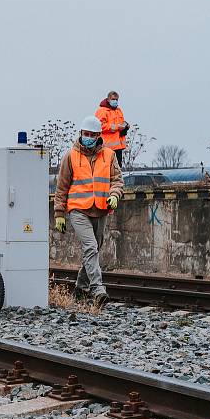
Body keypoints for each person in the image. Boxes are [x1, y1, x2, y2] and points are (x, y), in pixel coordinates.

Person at [53, 116, 124, 306]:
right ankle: (98, 290)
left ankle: (80, 288)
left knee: (94, 250)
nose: (89, 137)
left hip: (101, 209)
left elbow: (117, 181)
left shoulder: (109, 155)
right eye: (86, 134)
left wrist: (115, 195)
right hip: (78, 210)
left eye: (92, 135)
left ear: (99, 136)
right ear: (81, 134)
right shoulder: (70, 156)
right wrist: (59, 213)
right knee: (90, 247)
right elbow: (62, 187)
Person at [94, 90, 129, 166]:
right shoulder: (102, 111)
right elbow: (100, 126)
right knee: (108, 168)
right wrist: (117, 127)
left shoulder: (118, 110)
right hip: (107, 146)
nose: (115, 101)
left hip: (118, 146)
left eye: (116, 99)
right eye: (113, 99)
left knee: (117, 169)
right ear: (108, 99)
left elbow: (121, 123)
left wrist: (125, 126)